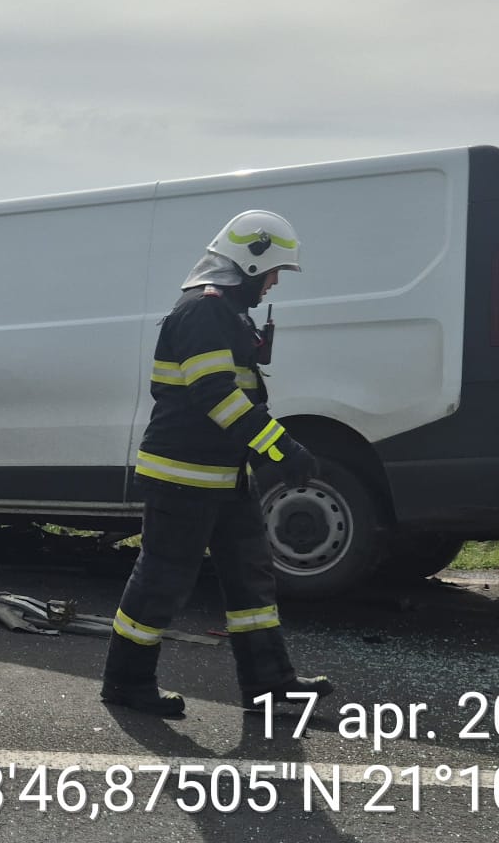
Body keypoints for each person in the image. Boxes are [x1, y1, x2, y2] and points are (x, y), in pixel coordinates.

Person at [102, 210, 332, 723]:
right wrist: (280, 449)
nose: (273, 283)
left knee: (251, 579)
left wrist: (267, 451)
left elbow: (234, 395)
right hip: (182, 476)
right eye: (272, 272)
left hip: (223, 477)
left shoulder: (224, 313)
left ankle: (269, 685)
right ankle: (126, 682)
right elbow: (216, 396)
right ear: (248, 263)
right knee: (163, 579)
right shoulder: (202, 312)